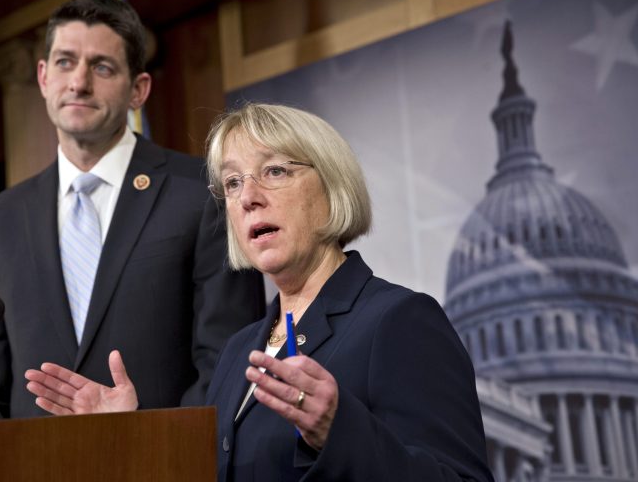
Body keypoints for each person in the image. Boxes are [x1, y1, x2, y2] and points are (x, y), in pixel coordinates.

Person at [25, 103, 494, 481]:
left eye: (274, 171)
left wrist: (340, 431)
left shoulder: (399, 321)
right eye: (232, 182)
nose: (247, 196)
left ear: (332, 189)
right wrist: (134, 436)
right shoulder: (238, 350)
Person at [0, 0, 264, 421]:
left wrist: (155, 449)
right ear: (42, 77)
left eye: (102, 66)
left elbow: (227, 359)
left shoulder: (202, 193)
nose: (78, 82)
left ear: (138, 90)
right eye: (64, 62)